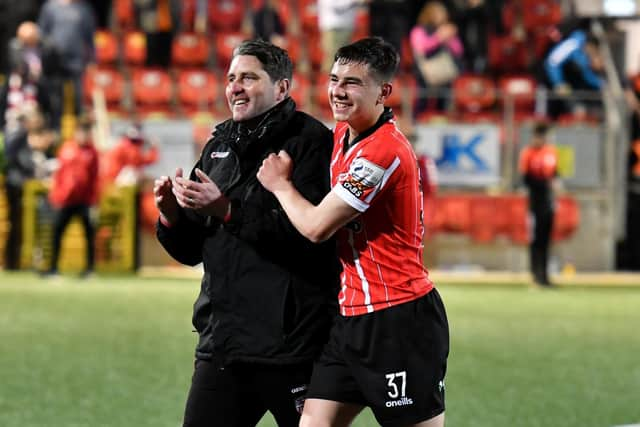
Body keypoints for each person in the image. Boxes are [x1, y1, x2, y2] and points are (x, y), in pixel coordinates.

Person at [257, 37, 449, 427]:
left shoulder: (383, 152)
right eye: (334, 79)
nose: (337, 92)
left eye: (352, 83)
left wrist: (279, 186)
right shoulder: (340, 138)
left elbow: (316, 227)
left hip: (398, 319)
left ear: (384, 92)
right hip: (350, 319)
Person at [153, 39, 340, 427]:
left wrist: (226, 209)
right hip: (224, 345)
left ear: (281, 88)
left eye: (249, 77)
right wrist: (171, 215)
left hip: (293, 348)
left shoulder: (312, 143)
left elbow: (309, 240)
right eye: (231, 78)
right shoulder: (219, 146)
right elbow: (193, 252)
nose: (234, 87)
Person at [43, 114, 99, 277]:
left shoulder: (92, 152)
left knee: (89, 235)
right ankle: (53, 268)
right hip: (65, 199)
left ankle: (89, 270)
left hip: (84, 201)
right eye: (81, 131)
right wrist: (56, 196)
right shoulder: (66, 148)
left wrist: (94, 201)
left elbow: (95, 178)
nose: (83, 135)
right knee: (57, 233)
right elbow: (59, 175)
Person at [3, 111, 53, 270]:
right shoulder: (19, 138)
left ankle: (28, 261)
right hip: (16, 187)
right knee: (15, 225)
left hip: (32, 188)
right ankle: (12, 262)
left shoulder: (41, 142)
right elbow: (12, 160)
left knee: (33, 225)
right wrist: (27, 175)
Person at [38, 0, 96, 122]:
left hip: (77, 58)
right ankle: (56, 126)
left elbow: (90, 36)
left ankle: (79, 129)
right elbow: (42, 33)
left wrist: (92, 59)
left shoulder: (83, 8)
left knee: (78, 96)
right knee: (55, 97)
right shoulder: (50, 7)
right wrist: (43, 56)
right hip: (54, 60)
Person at [518, 121, 560, 286]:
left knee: (546, 239)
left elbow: (555, 175)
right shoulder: (528, 153)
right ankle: (536, 275)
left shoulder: (551, 152)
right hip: (535, 202)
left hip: (548, 201)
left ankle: (545, 275)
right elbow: (526, 178)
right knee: (535, 239)